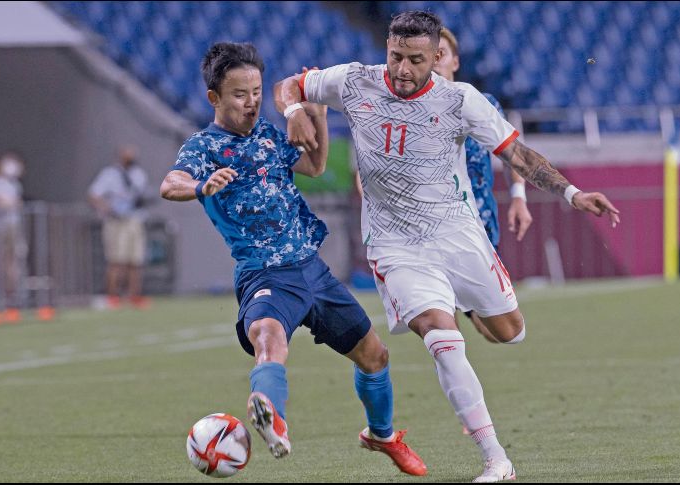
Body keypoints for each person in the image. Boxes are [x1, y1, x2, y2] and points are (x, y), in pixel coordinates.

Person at [275, 11, 620, 482]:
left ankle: (467, 305)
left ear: (437, 57)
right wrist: (294, 110)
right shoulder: (355, 81)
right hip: (397, 245)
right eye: (395, 56)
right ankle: (497, 459)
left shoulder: (460, 101)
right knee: (442, 338)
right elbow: (290, 84)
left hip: (458, 235)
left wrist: (571, 193)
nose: (401, 69)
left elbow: (517, 154)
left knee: (509, 332)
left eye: (414, 60)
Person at [160, 42, 426, 476]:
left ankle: (382, 435)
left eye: (256, 92)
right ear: (214, 98)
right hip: (264, 273)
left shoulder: (268, 134)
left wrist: (317, 113)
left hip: (313, 270)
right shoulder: (203, 147)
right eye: (239, 95)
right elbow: (170, 183)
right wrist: (200, 186)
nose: (251, 103)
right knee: (268, 338)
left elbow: (316, 166)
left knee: (375, 356)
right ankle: (270, 413)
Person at [433, 26, 533, 344]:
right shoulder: (408, 111)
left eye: (441, 54)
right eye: (428, 55)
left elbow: (511, 151)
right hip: (431, 228)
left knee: (494, 332)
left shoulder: (480, 102)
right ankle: (456, 378)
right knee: (441, 322)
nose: (435, 62)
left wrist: (519, 196)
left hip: (480, 227)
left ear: (455, 61)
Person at [88, 146, 151, 309]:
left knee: (135, 260)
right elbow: (94, 195)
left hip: (134, 219)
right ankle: (113, 296)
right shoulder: (109, 174)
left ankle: (134, 295)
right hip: (116, 221)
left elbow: (140, 196)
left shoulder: (138, 174)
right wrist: (108, 209)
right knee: (117, 260)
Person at [0, 152, 28, 321]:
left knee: (14, 262)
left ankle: (13, 298)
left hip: (14, 226)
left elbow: (18, 202)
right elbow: (1, 202)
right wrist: (11, 203)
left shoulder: (14, 184)